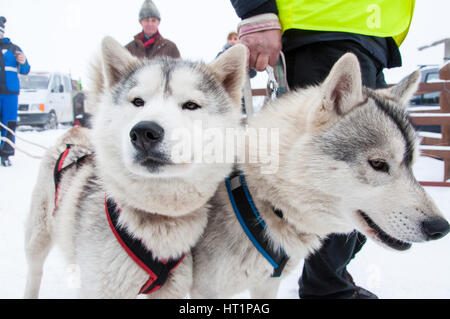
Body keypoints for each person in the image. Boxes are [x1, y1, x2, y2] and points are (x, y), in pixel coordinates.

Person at [229, 0, 415, 298]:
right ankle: (326, 287)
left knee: (366, 186)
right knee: (339, 181)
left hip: (374, 38)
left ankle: (329, 279)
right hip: (320, 27)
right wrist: (256, 10)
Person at [0, 16, 31, 167]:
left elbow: (25, 70)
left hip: (10, 94)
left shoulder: (14, 49)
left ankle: (5, 154)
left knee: (9, 123)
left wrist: (23, 61)